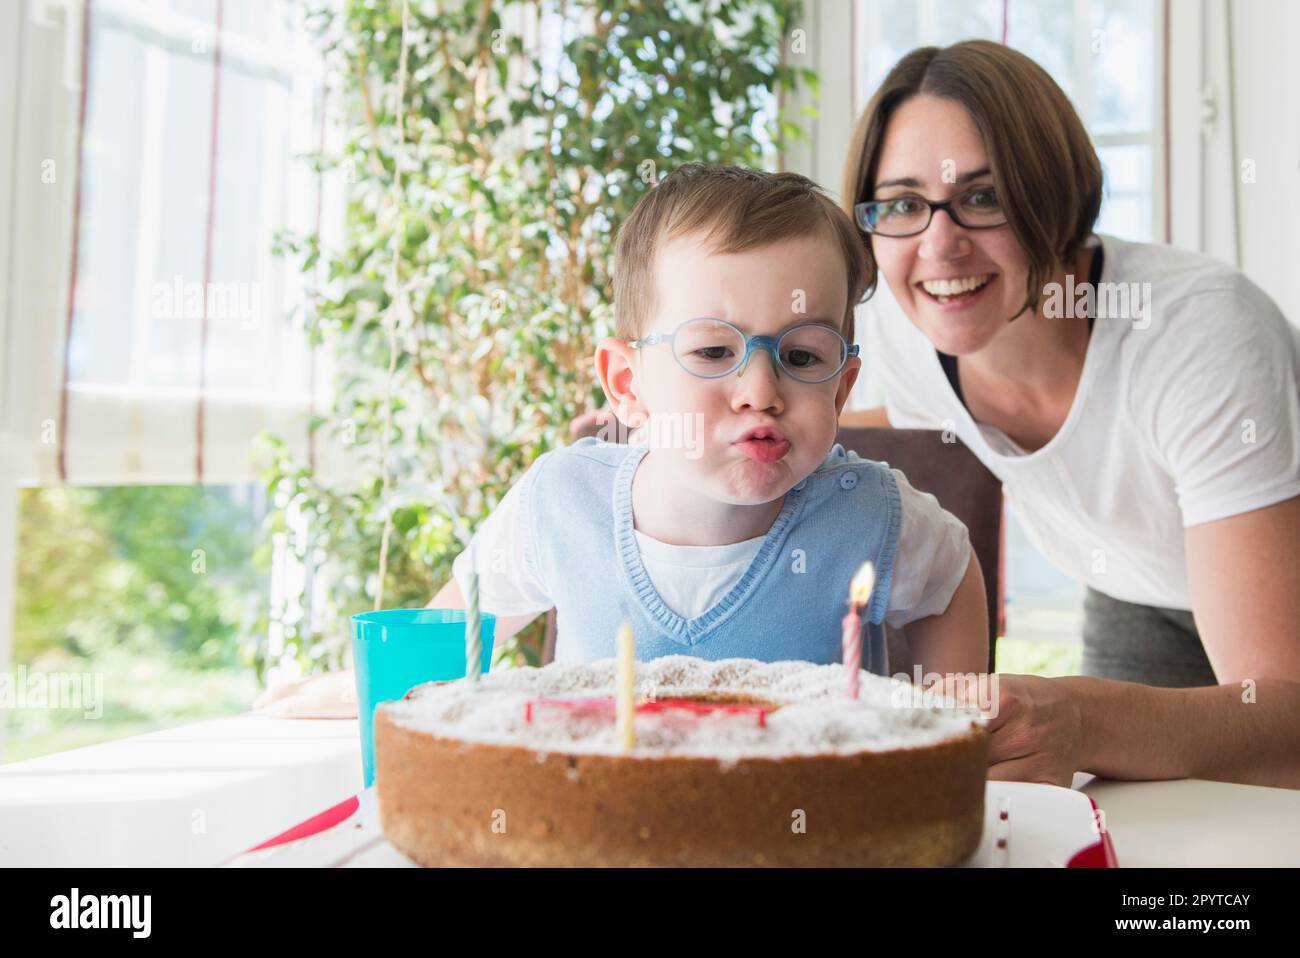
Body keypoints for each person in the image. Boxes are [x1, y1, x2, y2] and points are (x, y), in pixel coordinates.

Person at [255, 164, 988, 713]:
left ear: (841, 387)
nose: (761, 392)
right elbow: (447, 645)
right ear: (627, 385)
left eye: (801, 357)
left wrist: (956, 717)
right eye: (711, 352)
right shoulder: (560, 503)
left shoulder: (872, 515)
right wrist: (334, 694)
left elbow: (951, 574)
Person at [838, 40, 1300, 788]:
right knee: (1124, 824)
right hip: (1138, 587)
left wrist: (1081, 717)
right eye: (901, 204)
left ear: (1053, 194)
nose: (938, 245)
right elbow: (901, 412)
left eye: (982, 197)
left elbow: (1286, 717)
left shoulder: (1198, 335)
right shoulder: (907, 327)